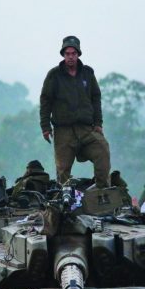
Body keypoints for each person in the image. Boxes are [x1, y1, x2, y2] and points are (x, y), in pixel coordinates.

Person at [40, 36, 111, 188]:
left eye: (73, 53)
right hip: (63, 131)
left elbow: (96, 97)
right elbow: (45, 100)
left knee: (102, 150)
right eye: (67, 54)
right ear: (63, 55)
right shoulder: (54, 75)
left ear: (78, 54)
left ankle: (102, 192)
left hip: (86, 129)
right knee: (63, 170)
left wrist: (98, 123)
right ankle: (65, 202)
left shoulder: (87, 74)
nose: (70, 57)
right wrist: (45, 127)